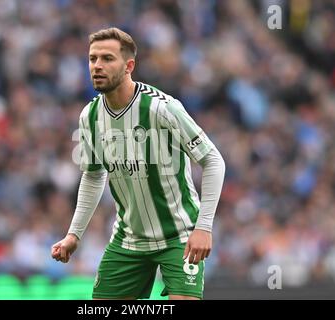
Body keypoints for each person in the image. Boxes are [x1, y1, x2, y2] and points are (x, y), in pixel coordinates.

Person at [51, 27, 225, 300]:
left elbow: (213, 160)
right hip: (128, 240)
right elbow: (94, 175)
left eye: (107, 59)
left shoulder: (163, 108)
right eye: (92, 58)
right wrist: (74, 234)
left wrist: (203, 227)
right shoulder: (90, 116)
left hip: (179, 236)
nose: (97, 66)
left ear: (129, 65)